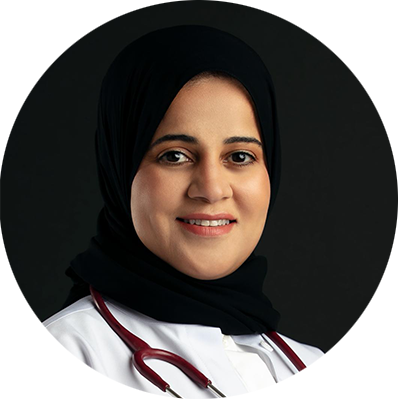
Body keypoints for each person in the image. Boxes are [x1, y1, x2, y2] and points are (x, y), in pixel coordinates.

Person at [0, 25, 354, 399]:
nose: (212, 189)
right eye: (175, 156)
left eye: (239, 156)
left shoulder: (314, 373)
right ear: (121, 169)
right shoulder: (51, 370)